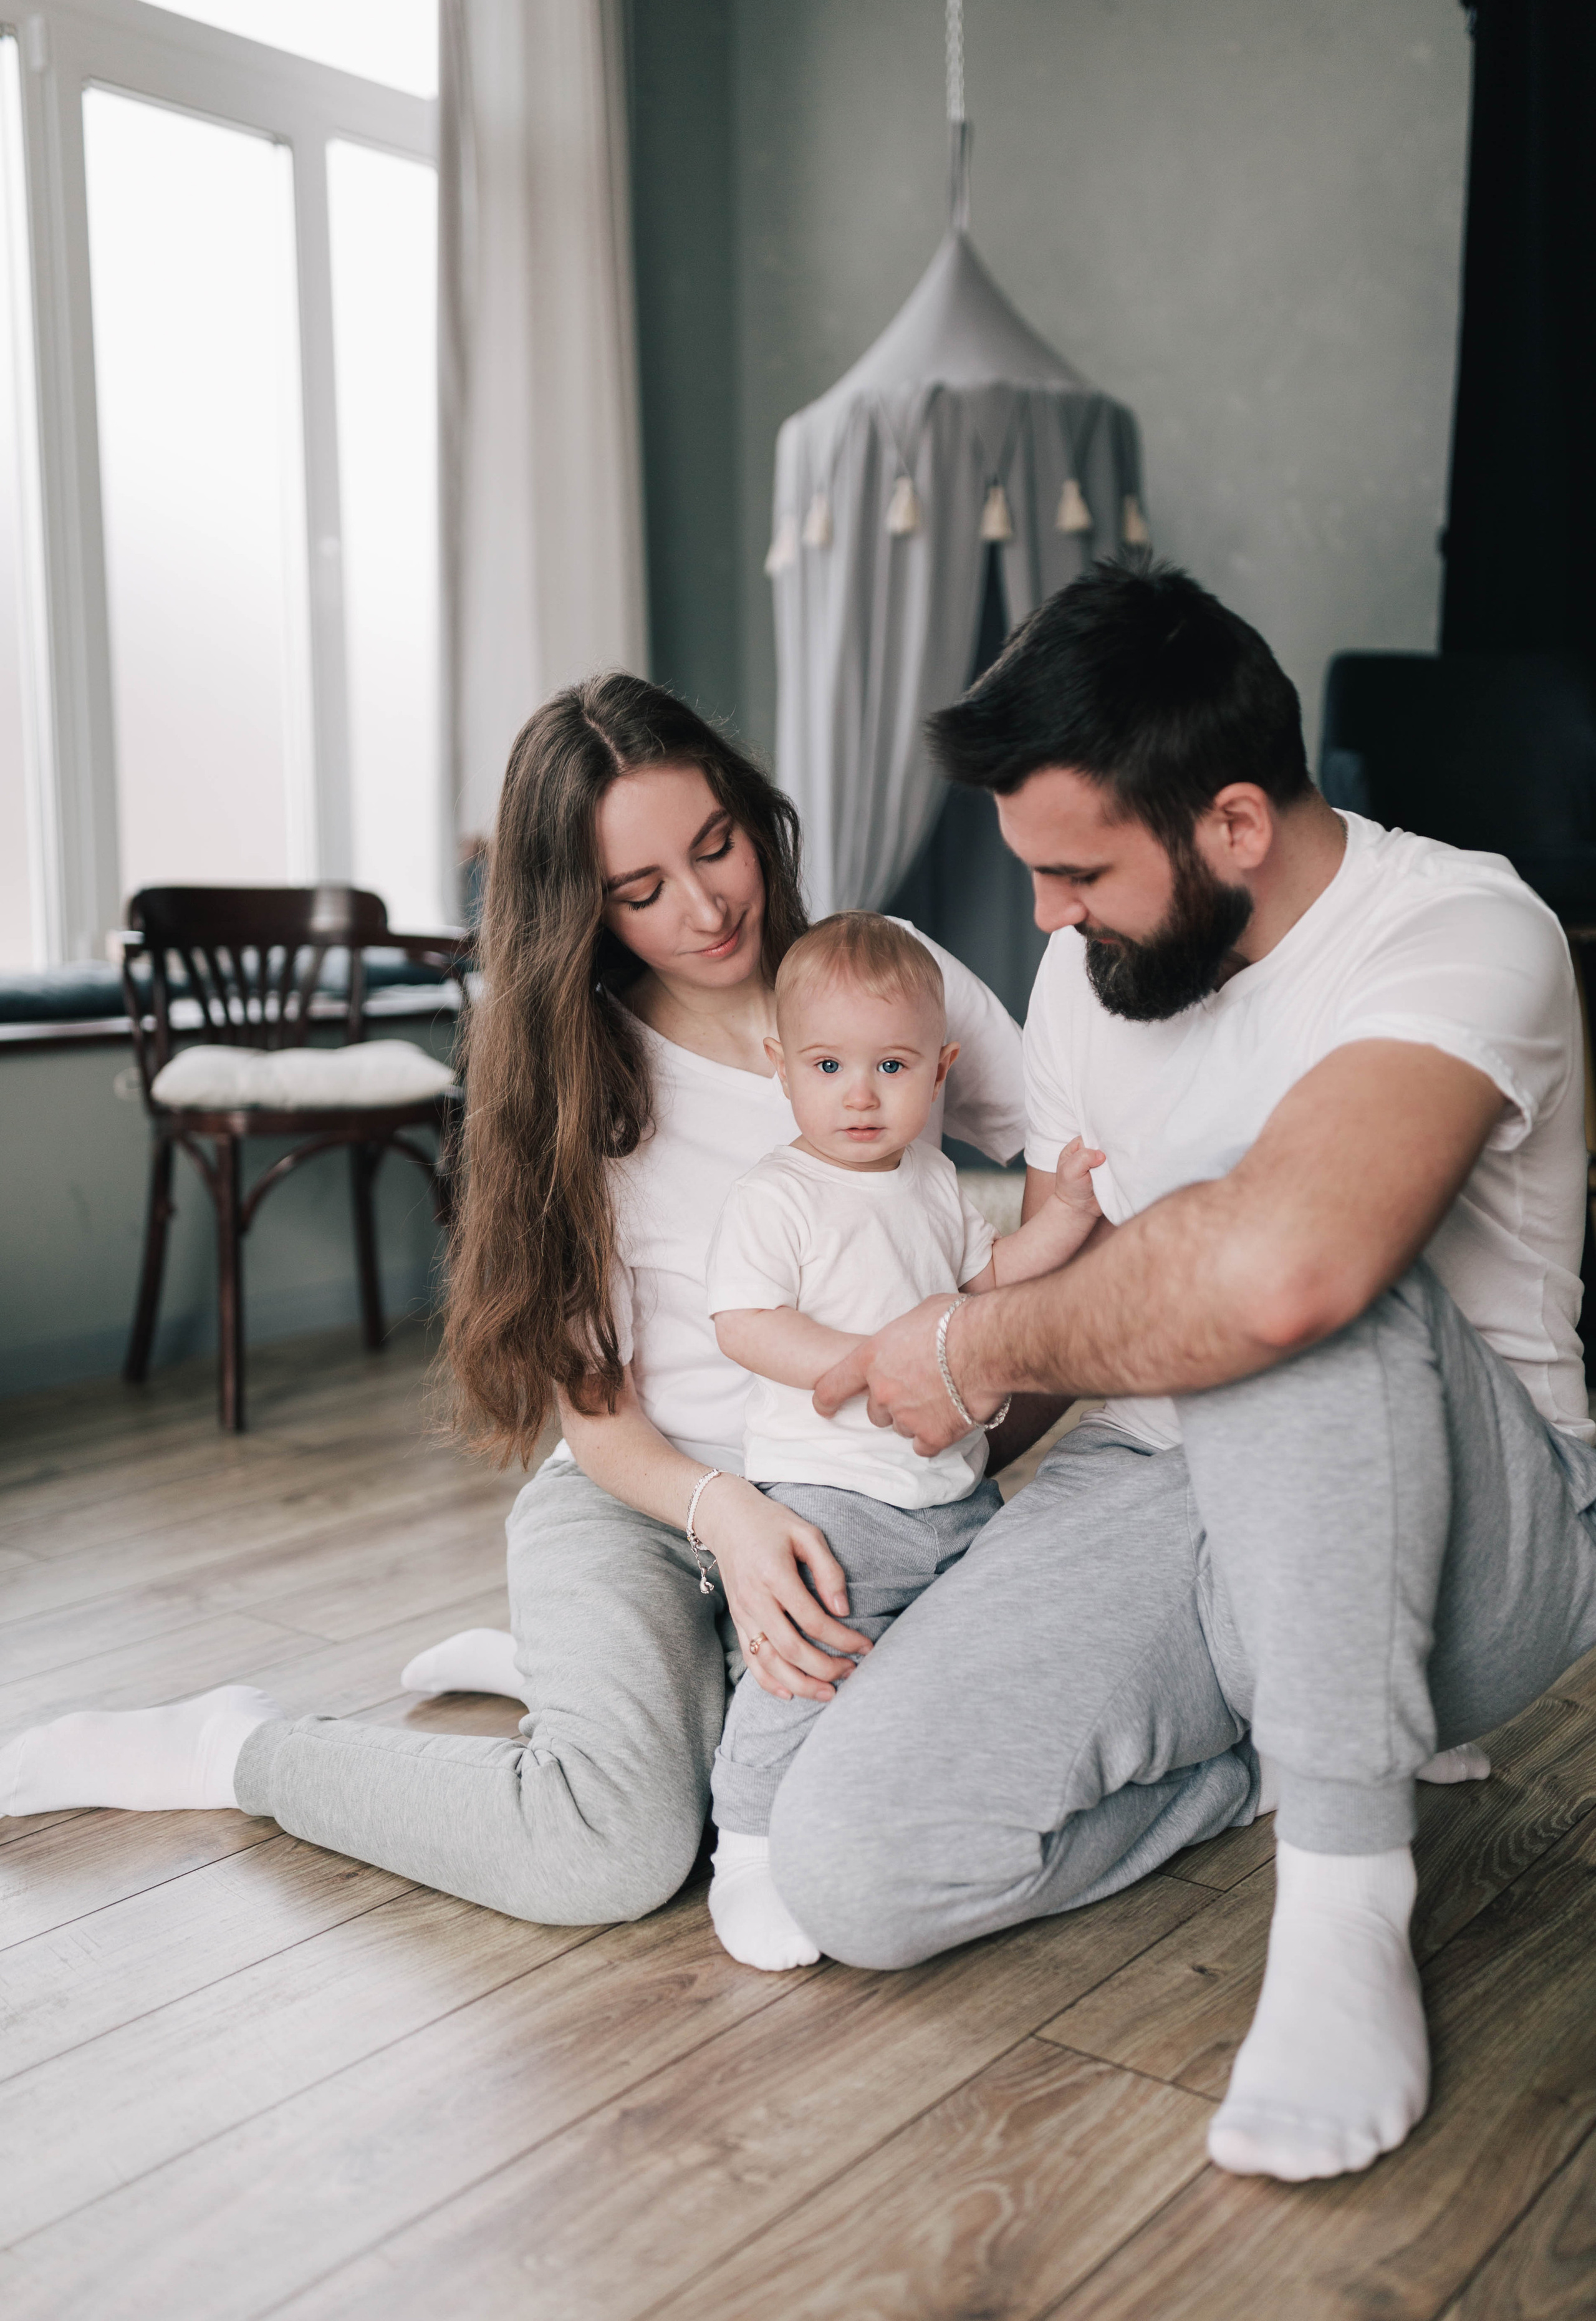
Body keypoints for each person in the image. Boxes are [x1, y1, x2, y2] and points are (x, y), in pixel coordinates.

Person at [762, 559, 1596, 2185]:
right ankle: (1278, 1758)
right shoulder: (1093, 976)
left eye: (1077, 873)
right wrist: (904, 1409)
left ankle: (1350, 1896)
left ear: (1231, 825)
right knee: (850, 1871)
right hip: (1155, 1488)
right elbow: (1091, 1311)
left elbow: (1280, 1276)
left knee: (1276, 1263)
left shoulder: (1465, 927)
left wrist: (963, 1340)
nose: (1047, 925)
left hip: (1474, 1554)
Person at [0, 676, 1029, 1931]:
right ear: (580, 909)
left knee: (835, 1792)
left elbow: (1067, 1156)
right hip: (648, 1504)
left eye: (716, 847)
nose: (706, 907)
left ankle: (602, 1685)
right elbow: (595, 1424)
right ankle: (232, 1750)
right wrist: (735, 1525)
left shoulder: (888, 983)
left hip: (866, 1509)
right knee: (612, 1849)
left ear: (754, 817)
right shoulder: (580, 1087)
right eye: (641, 891)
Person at [701, 910, 1105, 1970]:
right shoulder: (775, 1195)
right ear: (781, 1068)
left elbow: (987, 1282)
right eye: (830, 1065)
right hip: (831, 1495)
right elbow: (745, 1323)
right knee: (806, 1667)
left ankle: (912, 1800)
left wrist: (1064, 1217)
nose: (862, 1094)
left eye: (892, 1065)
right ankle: (742, 1847)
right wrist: (863, 1356)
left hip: (956, 1494)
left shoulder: (931, 1181)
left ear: (942, 1070)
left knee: (953, 1659)